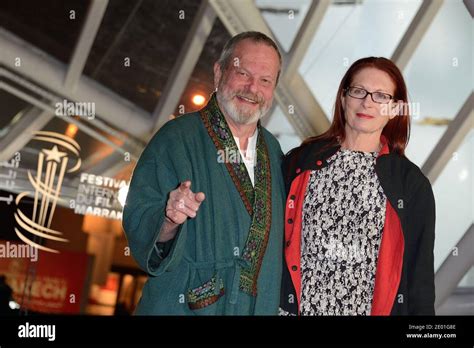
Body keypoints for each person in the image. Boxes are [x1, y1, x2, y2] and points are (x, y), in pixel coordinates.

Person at [123, 31, 286, 315]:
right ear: (219, 72)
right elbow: (140, 227)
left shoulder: (274, 153)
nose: (252, 88)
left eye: (265, 81)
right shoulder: (176, 138)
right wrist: (168, 219)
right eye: (243, 73)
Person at [280, 57, 436, 316]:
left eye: (381, 96)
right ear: (343, 98)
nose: (367, 102)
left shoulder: (410, 184)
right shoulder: (300, 162)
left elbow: (419, 282)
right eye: (358, 91)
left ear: (395, 109)